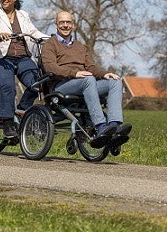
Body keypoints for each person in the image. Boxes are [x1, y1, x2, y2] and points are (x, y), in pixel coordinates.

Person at [41, 11, 132, 149]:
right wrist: (74, 73)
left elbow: (91, 67)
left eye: (68, 22)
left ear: (73, 25)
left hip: (84, 83)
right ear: (56, 25)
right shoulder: (50, 44)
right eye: (62, 22)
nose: (65, 25)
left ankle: (113, 126)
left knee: (115, 81)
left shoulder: (80, 46)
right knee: (88, 79)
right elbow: (50, 67)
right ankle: (100, 126)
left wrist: (105, 74)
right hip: (61, 86)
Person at [0, 0, 48, 138]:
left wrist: (49, 40)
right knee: (8, 85)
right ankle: (7, 122)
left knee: (36, 84)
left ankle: (21, 111)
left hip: (21, 58)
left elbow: (32, 31)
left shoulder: (23, 15)